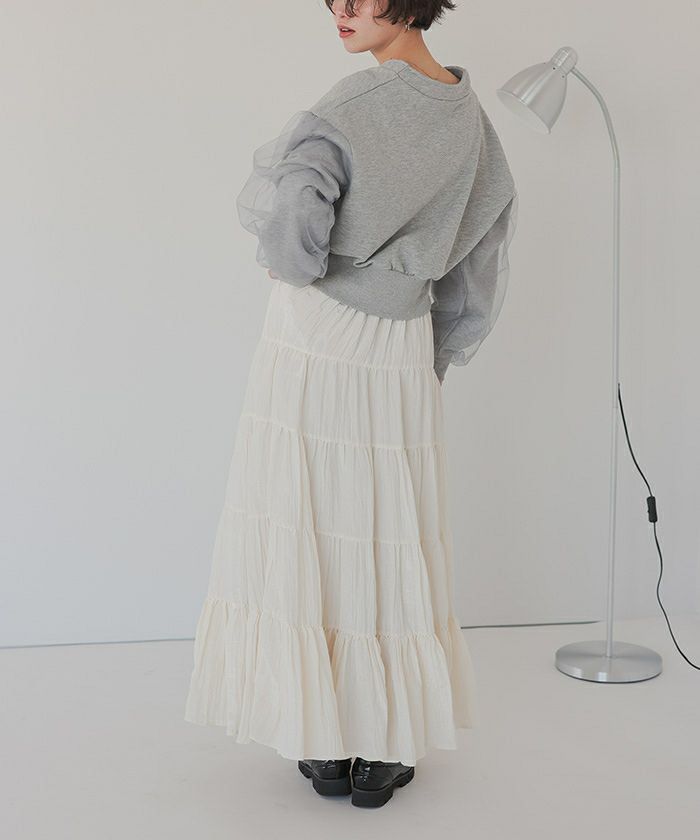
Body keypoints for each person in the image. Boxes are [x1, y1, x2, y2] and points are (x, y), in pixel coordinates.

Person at [184, 0, 518, 809]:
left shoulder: (354, 103)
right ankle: (384, 745)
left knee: (303, 516)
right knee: (389, 529)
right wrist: (434, 355)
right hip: (400, 346)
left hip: (316, 335)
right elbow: (478, 263)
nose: (342, 9)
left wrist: (290, 262)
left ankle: (323, 736)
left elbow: (297, 210)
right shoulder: (472, 122)